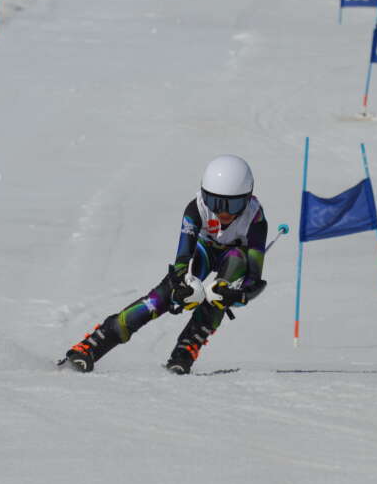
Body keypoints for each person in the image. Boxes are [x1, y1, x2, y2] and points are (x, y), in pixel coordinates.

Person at [63, 155, 269, 375]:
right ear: (204, 195)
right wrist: (180, 284)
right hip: (204, 250)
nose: (224, 212)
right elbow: (183, 257)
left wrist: (237, 296)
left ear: (248, 198)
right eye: (215, 203)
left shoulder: (255, 218)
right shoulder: (196, 208)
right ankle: (94, 344)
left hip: (234, 257)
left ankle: (185, 351)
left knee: (222, 288)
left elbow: (254, 276)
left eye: (233, 204)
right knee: (164, 295)